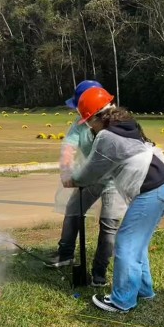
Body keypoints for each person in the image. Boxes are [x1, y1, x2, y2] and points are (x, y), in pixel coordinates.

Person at [65, 88, 164, 313]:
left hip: (152, 189)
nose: (89, 127)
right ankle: (144, 291)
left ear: (98, 116)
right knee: (137, 242)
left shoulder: (107, 137)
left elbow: (91, 173)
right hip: (163, 182)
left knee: (126, 243)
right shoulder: (125, 123)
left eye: (89, 121)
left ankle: (122, 300)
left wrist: (73, 179)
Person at [48, 80, 122, 287]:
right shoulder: (79, 125)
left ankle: (99, 273)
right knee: (73, 209)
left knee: (108, 224)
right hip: (91, 178)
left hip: (115, 182)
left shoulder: (116, 125)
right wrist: (67, 172)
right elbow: (68, 148)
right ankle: (66, 254)